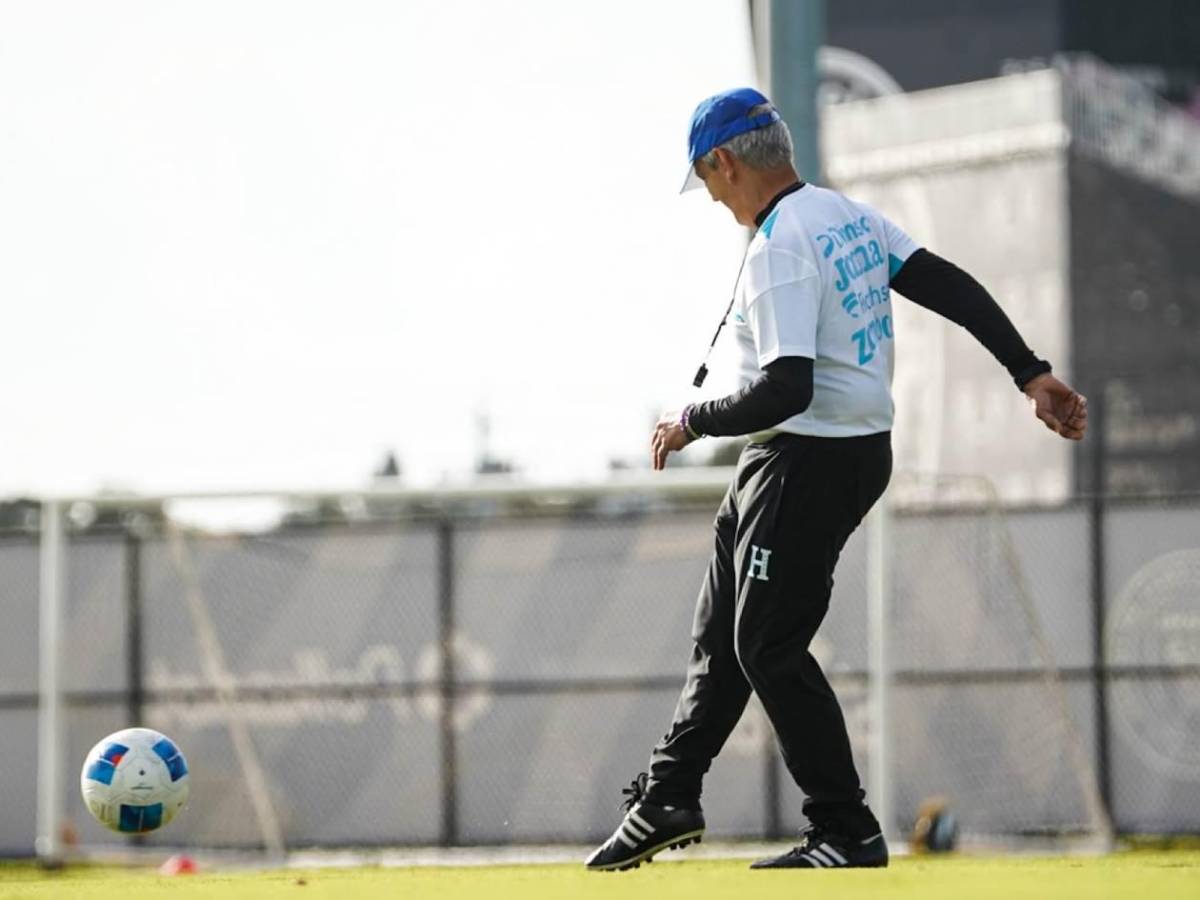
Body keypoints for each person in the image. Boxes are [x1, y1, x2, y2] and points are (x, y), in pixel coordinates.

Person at [584, 87, 1088, 872]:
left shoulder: (780, 245)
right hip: (800, 457)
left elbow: (789, 388)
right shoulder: (845, 215)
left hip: (810, 456)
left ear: (722, 162)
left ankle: (846, 829)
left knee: (765, 645)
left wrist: (694, 420)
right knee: (724, 638)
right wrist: (1031, 372)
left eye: (707, 180)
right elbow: (948, 283)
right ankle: (667, 798)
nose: (712, 199)